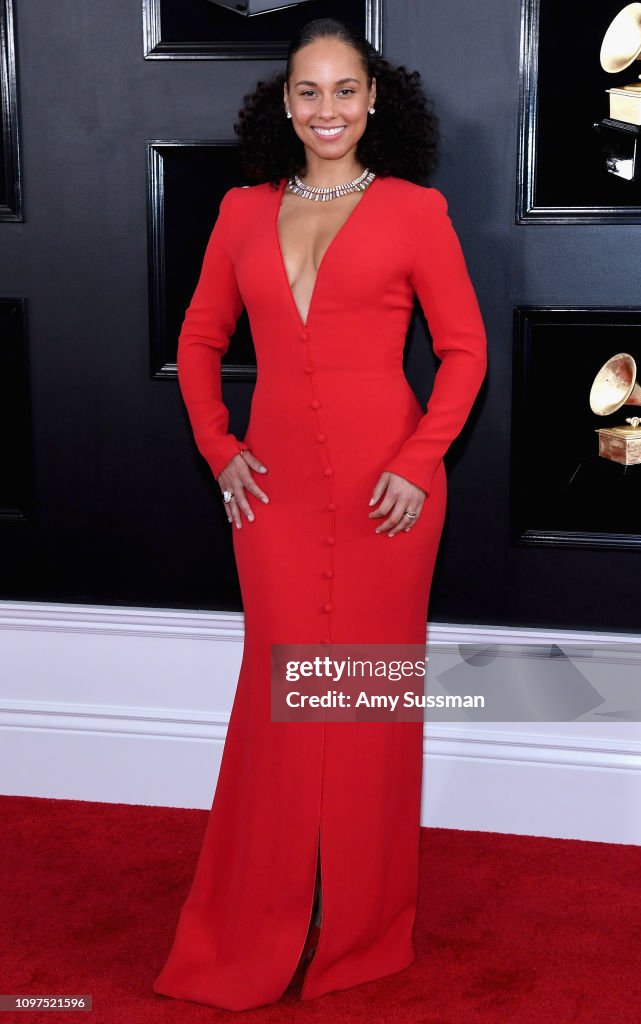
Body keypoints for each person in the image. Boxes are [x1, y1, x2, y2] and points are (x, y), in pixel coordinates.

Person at [152, 16, 487, 1012]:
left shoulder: (416, 212)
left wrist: (419, 461)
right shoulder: (240, 213)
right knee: (285, 703)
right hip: (276, 499)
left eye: (345, 90)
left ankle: (362, 931)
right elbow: (201, 339)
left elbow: (464, 352)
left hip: (389, 492)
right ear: (282, 103)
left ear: (372, 99)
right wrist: (221, 449)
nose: (327, 109)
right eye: (308, 91)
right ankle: (256, 919)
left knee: (367, 706)